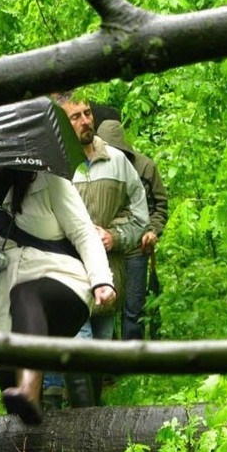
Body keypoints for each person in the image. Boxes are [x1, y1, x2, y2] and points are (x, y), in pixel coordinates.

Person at [0, 164, 116, 425]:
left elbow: (84, 233)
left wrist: (101, 280)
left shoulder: (47, 181)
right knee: (19, 417)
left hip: (62, 285)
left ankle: (29, 386)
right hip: (2, 310)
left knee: (26, 293)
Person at [53, 92, 149, 403]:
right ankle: (82, 420)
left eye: (87, 113)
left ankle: (90, 425)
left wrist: (115, 236)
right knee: (80, 347)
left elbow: (140, 216)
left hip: (108, 274)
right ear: (62, 124)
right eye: (75, 117)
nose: (85, 121)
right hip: (69, 275)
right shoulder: (56, 168)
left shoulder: (118, 162)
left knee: (101, 346)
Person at [97, 120, 169, 340]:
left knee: (134, 306)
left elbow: (160, 206)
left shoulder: (146, 166)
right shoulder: (92, 167)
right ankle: (109, 362)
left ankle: (133, 357)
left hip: (137, 245)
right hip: (106, 246)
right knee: (105, 305)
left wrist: (153, 231)